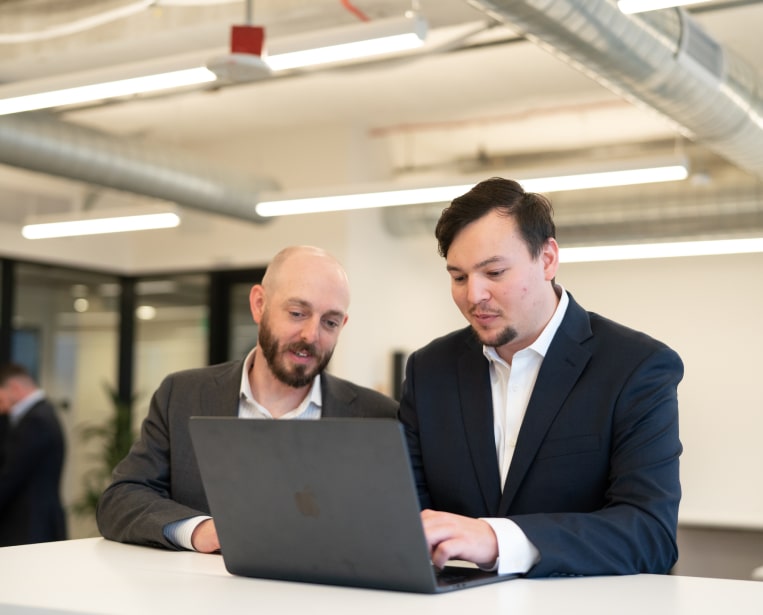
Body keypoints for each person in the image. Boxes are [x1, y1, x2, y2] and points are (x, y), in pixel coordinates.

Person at [398, 177, 683, 578]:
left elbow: (650, 534)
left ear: (547, 259)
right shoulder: (429, 370)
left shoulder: (636, 367)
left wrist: (498, 539)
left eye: (494, 272)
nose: (473, 295)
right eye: (458, 277)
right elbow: (406, 516)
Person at [97, 245, 397, 553]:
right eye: (297, 313)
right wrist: (202, 531)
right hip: (204, 598)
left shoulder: (379, 416)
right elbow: (122, 498)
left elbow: (401, 527)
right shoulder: (182, 396)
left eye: (329, 322)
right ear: (259, 305)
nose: (311, 335)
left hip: (323, 600)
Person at [0, 362, 67, 546]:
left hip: (30, 527)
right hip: (32, 524)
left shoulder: (36, 420)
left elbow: (11, 475)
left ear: (14, 387)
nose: (2, 408)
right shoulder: (41, 414)